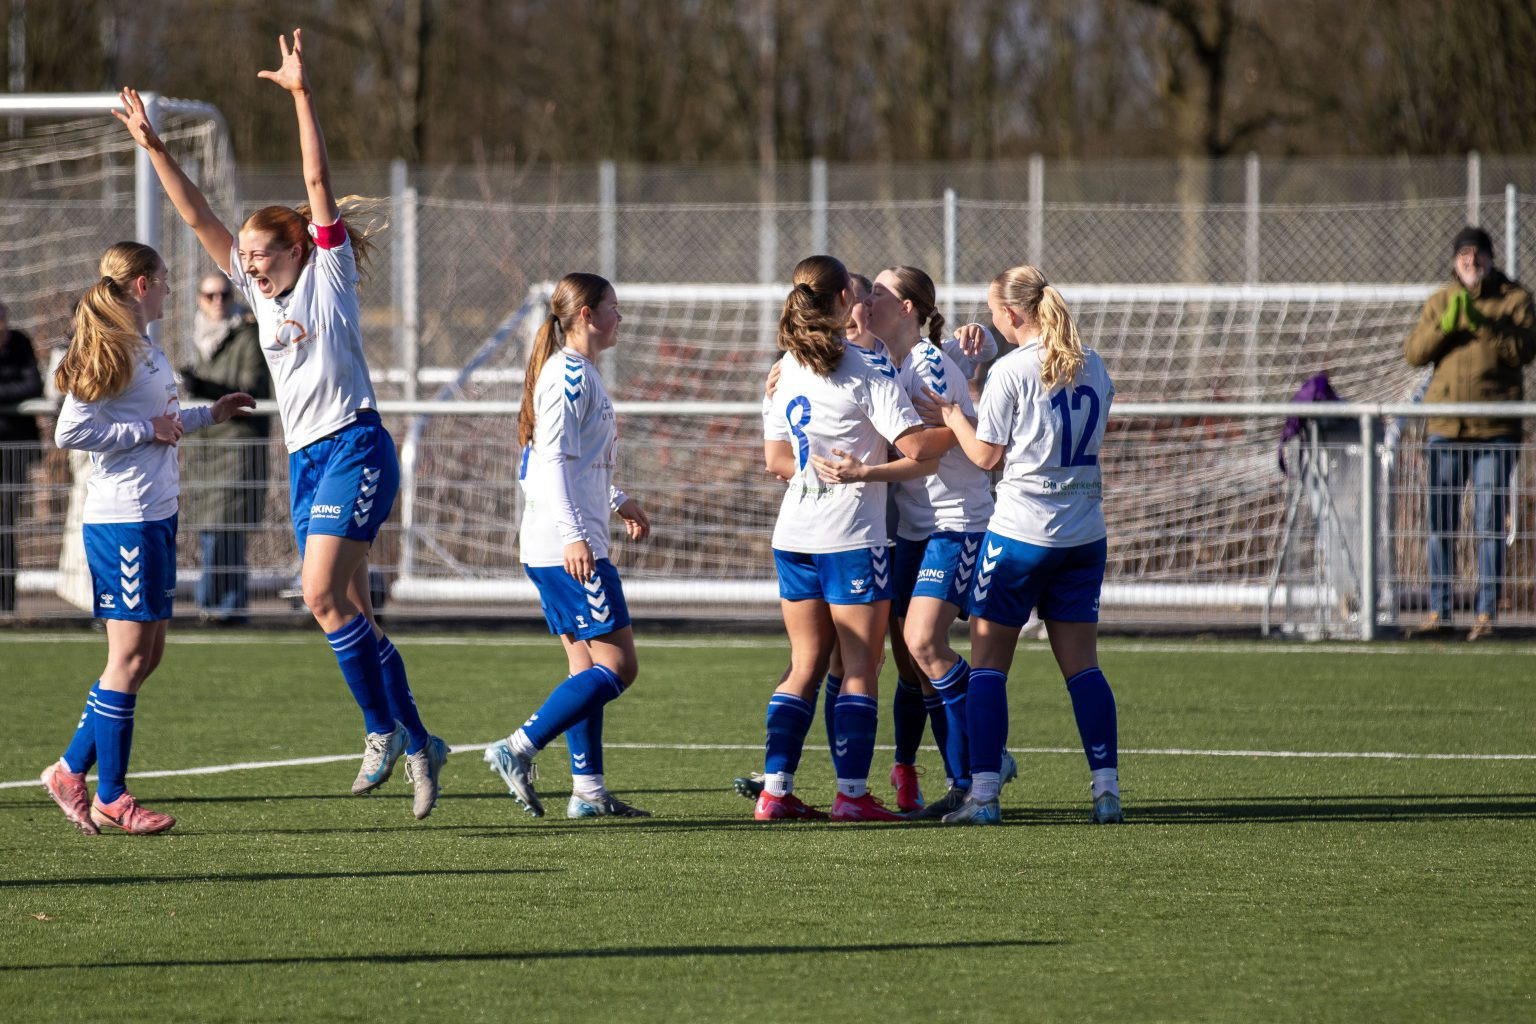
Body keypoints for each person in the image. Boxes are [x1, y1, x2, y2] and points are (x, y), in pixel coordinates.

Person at [114, 30, 449, 818]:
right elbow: (196, 214)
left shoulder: (328, 277)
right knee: (349, 611)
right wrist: (156, 147)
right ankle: (421, 738)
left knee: (319, 593)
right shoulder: (257, 294)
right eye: (249, 257)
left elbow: (316, 176)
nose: (252, 265)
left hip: (355, 444)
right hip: (306, 460)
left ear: (301, 247)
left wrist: (301, 95)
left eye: (265, 253)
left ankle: (381, 731)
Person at [39, 241, 254, 835]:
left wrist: (212, 414)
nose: (168, 289)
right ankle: (111, 794)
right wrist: (145, 429)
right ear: (139, 285)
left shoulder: (147, 347)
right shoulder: (107, 347)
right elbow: (70, 431)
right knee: (128, 656)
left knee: (147, 655)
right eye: (161, 280)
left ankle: (67, 772)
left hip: (155, 515)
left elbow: (160, 426)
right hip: (123, 519)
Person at [919, 264, 1122, 826]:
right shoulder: (1092, 363)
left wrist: (955, 414)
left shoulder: (1013, 370)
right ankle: (1107, 792)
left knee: (988, 669)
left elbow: (986, 456)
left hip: (1020, 536)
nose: (989, 319)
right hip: (1084, 534)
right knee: (1083, 668)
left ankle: (983, 796)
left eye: (992, 310)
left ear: (1012, 314)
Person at [754, 254, 951, 822]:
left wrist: (817, 471)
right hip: (850, 537)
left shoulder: (785, 368)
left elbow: (775, 459)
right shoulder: (867, 370)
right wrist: (964, 425)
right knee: (862, 669)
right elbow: (917, 448)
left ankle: (775, 791)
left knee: (804, 665)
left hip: (793, 533)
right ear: (846, 300)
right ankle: (852, 795)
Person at [483, 273, 653, 819]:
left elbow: (570, 461)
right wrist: (577, 535)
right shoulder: (568, 376)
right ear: (586, 316)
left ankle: (588, 792)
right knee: (619, 666)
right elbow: (550, 462)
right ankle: (516, 748)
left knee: (586, 668)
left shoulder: (577, 373)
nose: (619, 317)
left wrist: (618, 497)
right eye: (613, 308)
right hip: (567, 545)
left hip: (557, 540)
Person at [1404, 226, 1536, 641]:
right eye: (1464, 254)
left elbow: (1524, 350)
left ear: (1491, 259)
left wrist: (1485, 324)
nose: (1471, 261)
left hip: (1494, 429)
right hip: (1446, 428)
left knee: (1488, 521)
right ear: (1454, 260)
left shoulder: (1514, 299)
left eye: (1478, 254)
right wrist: (1447, 325)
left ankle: (1485, 615)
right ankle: (1439, 612)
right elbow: (1414, 354)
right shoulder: (1441, 300)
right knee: (1441, 522)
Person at [180, 275, 272, 624]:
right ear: (200, 299)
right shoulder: (199, 336)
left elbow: (251, 388)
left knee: (225, 529)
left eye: (224, 294)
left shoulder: (248, 336)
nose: (217, 301)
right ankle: (218, 605)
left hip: (235, 445)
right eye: (209, 295)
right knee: (212, 529)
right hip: (203, 448)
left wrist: (203, 386)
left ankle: (224, 606)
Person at [0, 300, 43, 614]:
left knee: (5, 525)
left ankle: (5, 600)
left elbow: (32, 385)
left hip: (13, 450)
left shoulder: (19, 343)